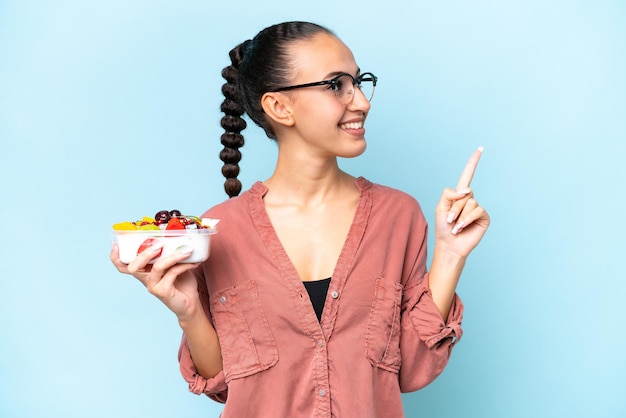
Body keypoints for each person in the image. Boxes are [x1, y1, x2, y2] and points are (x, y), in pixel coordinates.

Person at [110, 21, 489, 418]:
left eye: (359, 82)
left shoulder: (399, 216)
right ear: (279, 107)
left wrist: (450, 253)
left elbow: (410, 371)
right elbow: (222, 385)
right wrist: (188, 312)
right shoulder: (220, 230)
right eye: (336, 85)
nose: (361, 101)